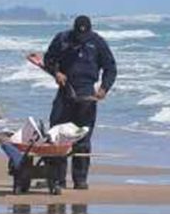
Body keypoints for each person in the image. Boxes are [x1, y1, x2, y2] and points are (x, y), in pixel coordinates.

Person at [42, 15, 116, 190]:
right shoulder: (62, 39)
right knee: (57, 135)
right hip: (65, 90)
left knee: (82, 137)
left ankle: (80, 179)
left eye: (84, 35)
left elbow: (110, 68)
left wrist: (104, 88)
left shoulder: (98, 42)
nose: (81, 38)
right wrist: (56, 73)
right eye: (78, 35)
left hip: (87, 94)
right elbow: (48, 60)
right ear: (74, 29)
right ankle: (57, 179)